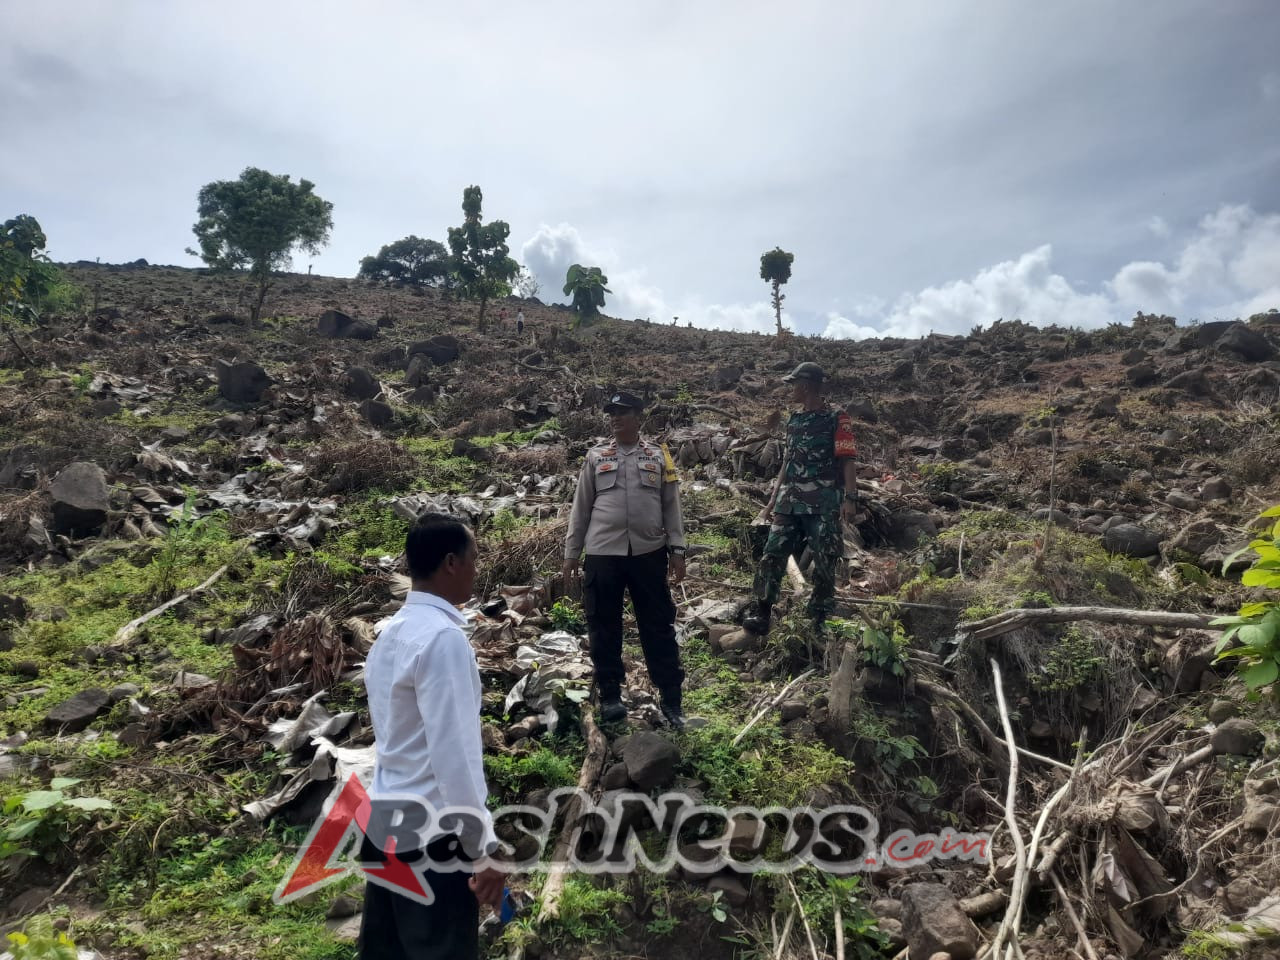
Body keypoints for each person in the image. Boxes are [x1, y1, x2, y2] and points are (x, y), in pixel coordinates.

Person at [360, 513, 505, 960]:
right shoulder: (443, 640)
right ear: (450, 563)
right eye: (474, 557)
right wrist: (482, 851)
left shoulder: (392, 633)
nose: (478, 567)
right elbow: (454, 758)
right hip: (431, 841)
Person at [563, 391, 688, 728]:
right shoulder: (596, 456)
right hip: (603, 554)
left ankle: (672, 701)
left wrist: (677, 549)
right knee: (603, 626)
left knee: (658, 626)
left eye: (623, 412)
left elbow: (671, 505)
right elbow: (581, 508)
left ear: (638, 416)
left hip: (648, 553)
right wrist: (572, 553)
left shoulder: (659, 456)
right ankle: (611, 697)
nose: (615, 418)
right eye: (612, 413)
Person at [743, 363, 859, 640]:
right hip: (789, 502)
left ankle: (819, 616)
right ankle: (762, 610)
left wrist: (851, 499)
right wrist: (772, 502)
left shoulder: (836, 418)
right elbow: (787, 463)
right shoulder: (794, 420)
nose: (791, 389)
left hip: (823, 502)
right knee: (772, 553)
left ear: (806, 386)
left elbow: (848, 459)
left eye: (793, 384)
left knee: (825, 559)